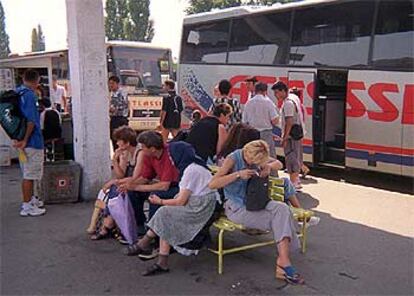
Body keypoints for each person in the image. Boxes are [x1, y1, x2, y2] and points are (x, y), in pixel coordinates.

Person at [208, 140, 304, 285]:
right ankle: (284, 262)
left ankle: (283, 261)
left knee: (283, 209)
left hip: (258, 201)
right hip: (237, 207)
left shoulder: (259, 155)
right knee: (279, 219)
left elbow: (279, 164)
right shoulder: (233, 159)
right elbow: (213, 184)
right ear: (248, 155)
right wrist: (238, 175)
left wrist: (268, 167)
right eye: (254, 162)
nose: (255, 164)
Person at [127, 150, 217, 276]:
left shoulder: (191, 171)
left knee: (166, 212)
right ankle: (155, 255)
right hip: (199, 201)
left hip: (201, 206)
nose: (170, 159)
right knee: (166, 215)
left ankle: (146, 245)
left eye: (171, 156)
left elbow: (181, 201)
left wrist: (161, 201)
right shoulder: (192, 166)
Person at [218, 123, 301, 208]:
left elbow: (278, 164)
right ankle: (299, 212)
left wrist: (269, 166)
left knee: (284, 184)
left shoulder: (231, 154)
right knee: (284, 186)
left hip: (250, 191)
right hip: (248, 195)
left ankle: (299, 212)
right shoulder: (239, 157)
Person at [88, 126, 141, 241]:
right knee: (112, 189)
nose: (116, 143)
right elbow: (120, 175)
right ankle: (107, 226)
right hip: (128, 181)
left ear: (127, 142)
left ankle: (106, 226)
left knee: (115, 189)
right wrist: (115, 160)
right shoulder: (125, 153)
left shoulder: (139, 152)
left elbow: (137, 177)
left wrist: (115, 181)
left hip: (140, 182)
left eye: (119, 140)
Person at [13, 69, 46, 217]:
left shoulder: (17, 93)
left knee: (27, 171)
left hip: (20, 141)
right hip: (31, 142)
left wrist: (19, 139)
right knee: (30, 174)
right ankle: (27, 205)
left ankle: (31, 200)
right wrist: (26, 140)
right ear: (36, 80)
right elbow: (31, 121)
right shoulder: (29, 95)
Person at [271, 81, 303, 189]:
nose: (275, 95)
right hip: (294, 135)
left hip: (291, 137)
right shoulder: (292, 100)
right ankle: (296, 181)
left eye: (276, 92)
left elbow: (289, 122)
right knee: (295, 157)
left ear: (283, 91)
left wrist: (285, 137)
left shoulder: (288, 103)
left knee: (291, 158)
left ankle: (294, 183)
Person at [242, 82, 279, 158]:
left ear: (255, 91)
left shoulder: (248, 103)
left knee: (253, 156)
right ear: (265, 91)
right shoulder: (269, 103)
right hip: (266, 134)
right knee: (268, 157)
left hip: (252, 133)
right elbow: (275, 121)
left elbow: (244, 122)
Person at [289, 87, 310, 177]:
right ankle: (302, 168)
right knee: (298, 153)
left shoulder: (294, 106)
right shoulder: (301, 106)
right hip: (299, 132)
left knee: (295, 153)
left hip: (294, 133)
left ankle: (302, 169)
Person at [109, 75, 129, 151]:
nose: (111, 85)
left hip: (121, 119)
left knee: (122, 139)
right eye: (110, 83)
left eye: (112, 83)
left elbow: (124, 105)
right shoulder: (111, 93)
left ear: (117, 84)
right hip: (113, 118)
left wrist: (115, 109)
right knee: (114, 139)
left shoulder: (122, 93)